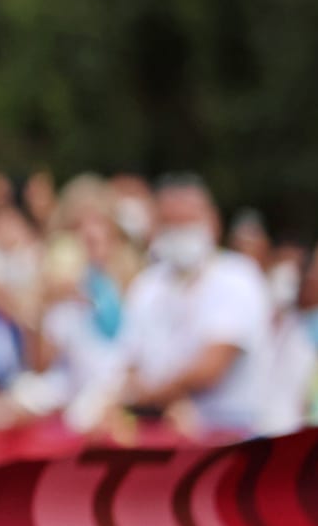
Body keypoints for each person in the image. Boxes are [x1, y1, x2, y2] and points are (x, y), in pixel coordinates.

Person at [114, 176, 272, 436]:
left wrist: (149, 396)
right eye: (170, 224)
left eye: (187, 222)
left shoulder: (238, 277)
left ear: (212, 222)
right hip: (161, 432)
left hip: (231, 433)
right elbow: (128, 361)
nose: (179, 232)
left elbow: (211, 368)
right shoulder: (147, 285)